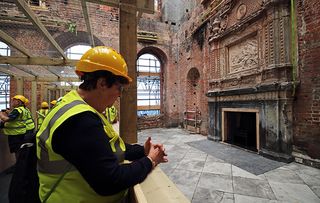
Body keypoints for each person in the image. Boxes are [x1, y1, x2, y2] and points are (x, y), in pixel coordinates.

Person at [36, 46, 168, 203]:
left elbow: (110, 147)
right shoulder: (79, 120)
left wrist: (142, 151)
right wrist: (150, 161)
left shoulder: (80, 108)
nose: (119, 95)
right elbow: (110, 181)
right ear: (102, 83)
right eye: (119, 88)